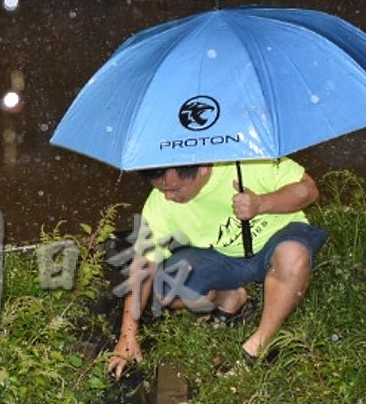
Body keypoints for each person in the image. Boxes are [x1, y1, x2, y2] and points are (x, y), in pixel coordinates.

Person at [108, 157, 326, 378]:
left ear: (202, 168)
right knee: (166, 288)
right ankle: (229, 298)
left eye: (175, 189)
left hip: (279, 238)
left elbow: (308, 189)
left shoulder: (249, 160)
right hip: (223, 256)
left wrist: (261, 203)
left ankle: (259, 344)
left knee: (292, 255)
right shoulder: (160, 203)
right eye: (162, 190)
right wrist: (127, 334)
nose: (169, 197)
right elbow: (144, 264)